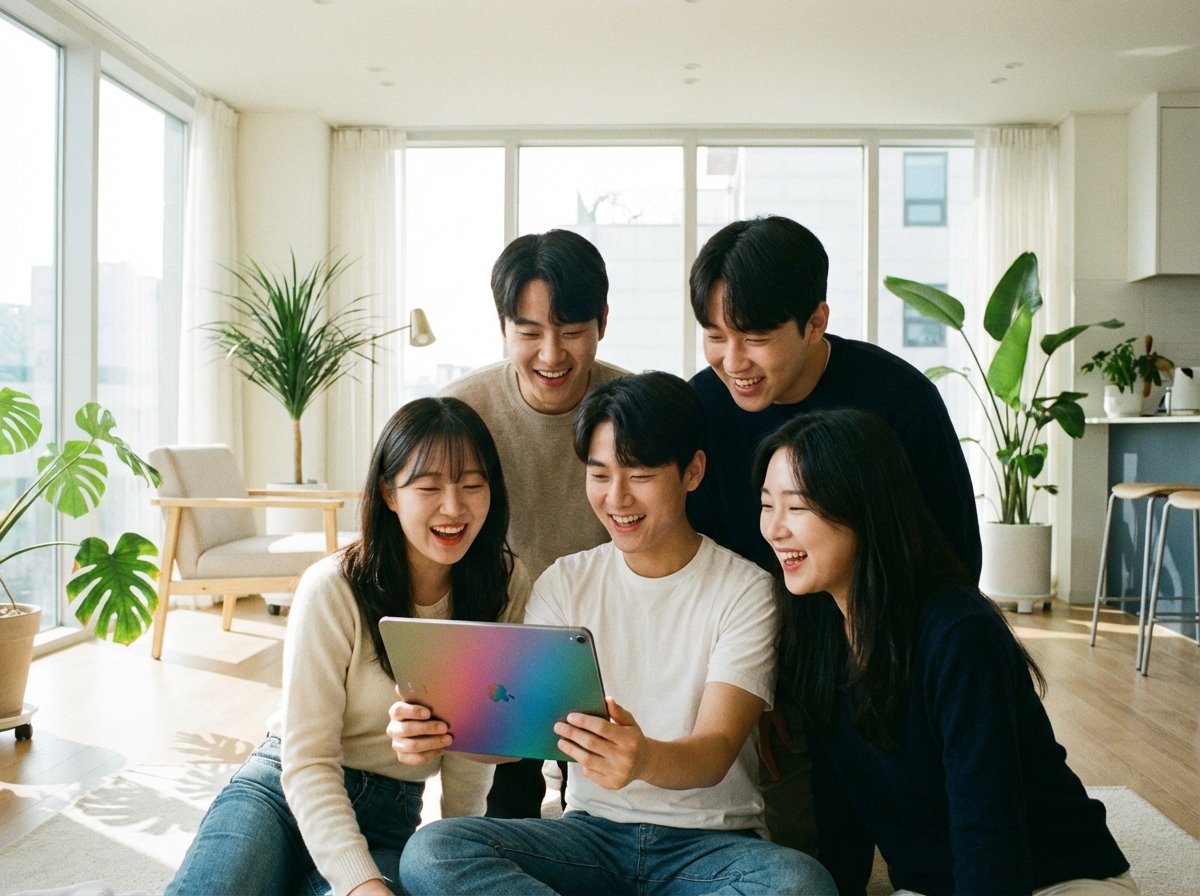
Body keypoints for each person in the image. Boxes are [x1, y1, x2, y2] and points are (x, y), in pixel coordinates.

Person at [391, 372, 836, 896]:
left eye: (640, 474)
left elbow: (714, 752)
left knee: (801, 885)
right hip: (590, 840)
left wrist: (643, 757)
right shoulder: (565, 581)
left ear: (692, 471)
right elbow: (519, 736)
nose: (616, 497)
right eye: (599, 474)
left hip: (713, 849)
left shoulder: (746, 590)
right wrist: (442, 729)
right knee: (432, 851)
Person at [686, 214, 982, 851]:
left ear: (815, 321)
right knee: (814, 861)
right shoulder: (703, 409)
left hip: (886, 660)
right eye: (714, 336)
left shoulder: (897, 399)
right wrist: (751, 688)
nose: (731, 362)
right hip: (771, 663)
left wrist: (901, 682)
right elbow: (702, 562)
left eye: (754, 338)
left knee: (941, 836)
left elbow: (952, 555)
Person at [755, 407, 1135, 896]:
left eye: (798, 507)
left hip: (1057, 877)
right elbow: (840, 808)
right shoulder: (816, 628)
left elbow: (989, 826)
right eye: (768, 504)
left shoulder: (959, 635)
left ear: (864, 508)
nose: (774, 528)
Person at [165, 397, 530, 896]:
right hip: (281, 793)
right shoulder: (332, 587)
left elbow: (471, 745)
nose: (454, 507)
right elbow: (308, 759)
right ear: (389, 492)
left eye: (472, 485)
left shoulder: (503, 585)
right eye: (428, 487)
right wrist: (360, 886)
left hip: (389, 815)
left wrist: (453, 849)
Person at [440, 228, 626, 818]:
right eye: (529, 332)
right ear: (503, 328)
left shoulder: (629, 407)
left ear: (602, 321)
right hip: (500, 634)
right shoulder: (462, 412)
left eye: (572, 333)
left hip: (606, 637)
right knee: (506, 814)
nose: (552, 355)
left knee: (599, 810)